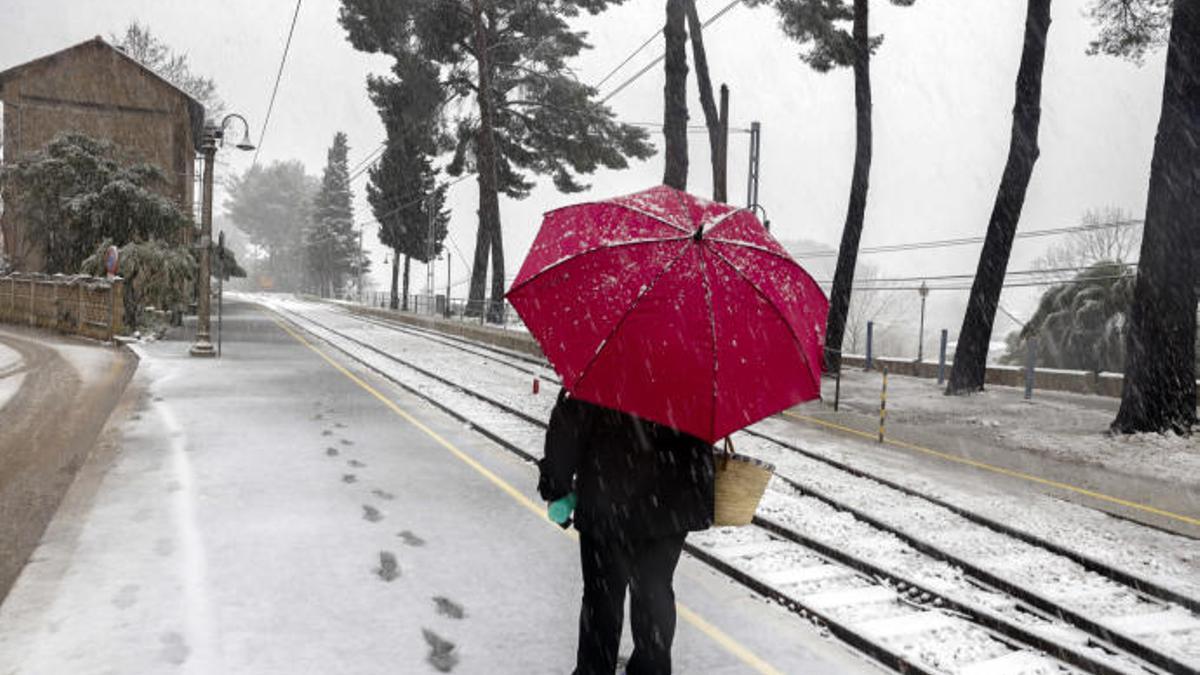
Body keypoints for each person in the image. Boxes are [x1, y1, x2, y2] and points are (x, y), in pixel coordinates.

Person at [538, 389, 715, 675]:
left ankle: (595, 670)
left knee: (602, 598)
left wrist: (556, 488)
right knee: (654, 590)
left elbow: (567, 429)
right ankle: (651, 669)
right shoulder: (692, 374)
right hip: (671, 506)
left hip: (608, 502)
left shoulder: (603, 362)